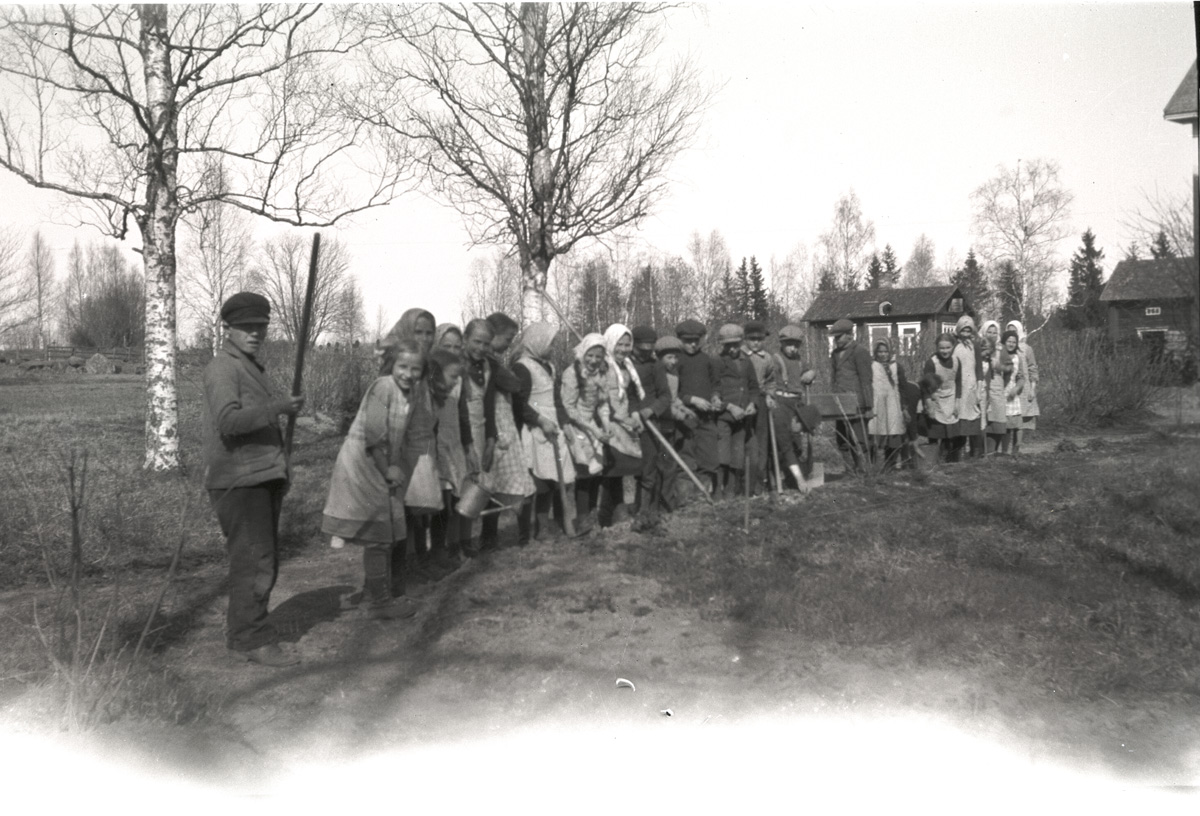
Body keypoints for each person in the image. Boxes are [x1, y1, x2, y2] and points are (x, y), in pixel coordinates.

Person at [204, 292, 304, 667]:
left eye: (260, 327)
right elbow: (228, 422)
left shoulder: (250, 367)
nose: (255, 333)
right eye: (246, 327)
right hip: (237, 481)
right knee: (254, 561)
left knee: (261, 559)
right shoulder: (222, 368)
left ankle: (247, 632)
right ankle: (250, 638)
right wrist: (277, 408)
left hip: (260, 476)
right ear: (227, 329)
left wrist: (281, 468)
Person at [322, 339, 425, 622]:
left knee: (386, 533)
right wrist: (388, 468)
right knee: (379, 536)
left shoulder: (410, 394)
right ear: (392, 365)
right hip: (364, 464)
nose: (408, 373)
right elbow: (373, 435)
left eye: (415, 369)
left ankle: (374, 592)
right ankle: (379, 603)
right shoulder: (383, 387)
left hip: (381, 464)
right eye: (403, 366)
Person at [383, 308, 444, 581]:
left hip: (422, 447)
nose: (424, 338)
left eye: (429, 333)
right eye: (418, 332)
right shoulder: (395, 368)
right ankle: (396, 574)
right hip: (400, 448)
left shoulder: (427, 367)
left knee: (419, 509)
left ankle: (417, 563)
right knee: (400, 514)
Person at [512, 321, 574, 541]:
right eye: (550, 343)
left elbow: (556, 400)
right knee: (535, 482)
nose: (552, 348)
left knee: (551, 480)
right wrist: (539, 420)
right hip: (534, 430)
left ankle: (544, 525)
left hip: (553, 429)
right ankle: (526, 532)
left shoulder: (549, 366)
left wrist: (565, 423)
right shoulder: (522, 367)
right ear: (537, 342)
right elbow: (518, 403)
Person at [560, 332, 612, 535]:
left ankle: (592, 516)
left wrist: (605, 425)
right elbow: (569, 408)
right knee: (583, 473)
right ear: (583, 353)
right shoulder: (572, 373)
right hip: (576, 427)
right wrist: (593, 430)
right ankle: (582, 520)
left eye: (598, 357)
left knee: (596, 472)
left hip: (593, 427)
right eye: (590, 355)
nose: (593, 361)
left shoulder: (601, 373)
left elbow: (602, 403)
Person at [428, 331, 471, 569]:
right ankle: (432, 554)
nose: (452, 352)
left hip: (452, 443)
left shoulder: (457, 378)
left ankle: (444, 549)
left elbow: (463, 416)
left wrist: (467, 446)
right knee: (437, 503)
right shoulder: (431, 383)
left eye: (457, 347)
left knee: (452, 500)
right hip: (435, 447)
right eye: (447, 346)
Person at [596, 323, 645, 527]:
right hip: (608, 420)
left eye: (627, 345)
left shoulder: (627, 366)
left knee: (630, 466)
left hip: (626, 420)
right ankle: (609, 514)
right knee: (613, 470)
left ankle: (623, 509)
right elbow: (602, 397)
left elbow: (632, 394)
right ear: (610, 343)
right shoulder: (603, 365)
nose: (624, 349)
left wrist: (633, 416)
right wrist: (621, 418)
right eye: (619, 344)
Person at [627, 326, 672, 531]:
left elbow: (665, 396)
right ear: (633, 346)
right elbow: (626, 395)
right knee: (626, 468)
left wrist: (650, 411)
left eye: (649, 349)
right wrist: (635, 411)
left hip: (651, 424)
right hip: (626, 422)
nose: (645, 353)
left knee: (650, 469)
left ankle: (645, 512)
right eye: (641, 350)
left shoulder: (656, 366)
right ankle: (622, 512)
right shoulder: (624, 365)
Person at [674, 318, 723, 497]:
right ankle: (685, 501)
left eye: (696, 340)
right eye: (688, 341)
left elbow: (716, 384)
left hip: (706, 418)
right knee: (686, 459)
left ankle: (702, 498)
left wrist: (715, 397)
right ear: (680, 339)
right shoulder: (675, 360)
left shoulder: (708, 360)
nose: (693, 344)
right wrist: (691, 400)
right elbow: (670, 393)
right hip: (684, 419)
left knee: (709, 459)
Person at [714, 323, 760, 499]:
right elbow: (715, 390)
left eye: (736, 345)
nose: (732, 349)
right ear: (723, 345)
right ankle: (718, 490)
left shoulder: (746, 361)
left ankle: (731, 490)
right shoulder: (717, 361)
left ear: (741, 343)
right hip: (724, 417)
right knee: (722, 455)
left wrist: (753, 404)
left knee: (737, 455)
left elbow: (754, 387)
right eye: (728, 345)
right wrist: (729, 406)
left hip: (742, 418)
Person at [770, 324, 818, 489]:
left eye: (796, 345)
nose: (792, 348)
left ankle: (794, 478)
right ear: (781, 344)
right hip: (781, 403)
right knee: (784, 442)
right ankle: (796, 480)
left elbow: (811, 370)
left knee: (797, 442)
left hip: (797, 404)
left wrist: (811, 373)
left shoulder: (799, 361)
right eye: (789, 344)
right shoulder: (775, 359)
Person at [828, 318, 873, 475]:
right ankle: (849, 470)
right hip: (840, 403)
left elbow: (866, 380)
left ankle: (864, 470)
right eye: (834, 337)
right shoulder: (834, 354)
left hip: (857, 404)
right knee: (842, 439)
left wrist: (868, 406)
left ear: (849, 335)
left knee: (859, 438)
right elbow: (834, 378)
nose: (836, 340)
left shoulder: (860, 352)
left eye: (838, 337)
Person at [652, 335, 691, 512]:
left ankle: (667, 502)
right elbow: (660, 401)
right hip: (657, 425)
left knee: (669, 465)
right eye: (669, 357)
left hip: (669, 427)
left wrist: (684, 409)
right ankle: (661, 504)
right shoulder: (655, 374)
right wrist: (675, 413)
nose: (674, 361)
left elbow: (673, 399)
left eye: (676, 357)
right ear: (659, 358)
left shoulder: (674, 376)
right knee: (661, 466)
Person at [741, 320, 779, 496]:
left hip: (762, 402)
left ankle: (759, 484)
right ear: (745, 339)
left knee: (762, 442)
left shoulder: (767, 358)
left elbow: (771, 380)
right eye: (752, 339)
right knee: (745, 442)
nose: (756, 343)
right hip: (743, 402)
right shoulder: (740, 356)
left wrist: (770, 396)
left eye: (759, 339)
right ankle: (743, 484)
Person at [867, 338, 908, 470]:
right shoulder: (872, 366)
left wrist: (904, 407)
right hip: (877, 402)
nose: (883, 354)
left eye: (886, 352)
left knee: (893, 432)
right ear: (876, 352)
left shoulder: (897, 366)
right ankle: (874, 466)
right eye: (880, 352)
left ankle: (890, 465)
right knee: (876, 431)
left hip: (893, 403)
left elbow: (903, 387)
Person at [922, 333, 963, 462]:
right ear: (937, 348)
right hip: (936, 400)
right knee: (935, 433)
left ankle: (947, 460)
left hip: (951, 400)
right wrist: (929, 406)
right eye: (942, 348)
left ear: (953, 347)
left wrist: (957, 403)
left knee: (949, 435)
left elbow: (958, 382)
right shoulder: (932, 363)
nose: (945, 351)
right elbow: (925, 387)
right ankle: (933, 461)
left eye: (948, 348)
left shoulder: (956, 361)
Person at [953, 315, 985, 459]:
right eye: (963, 331)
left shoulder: (975, 346)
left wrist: (979, 388)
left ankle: (975, 452)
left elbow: (979, 369)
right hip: (959, 387)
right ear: (959, 330)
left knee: (973, 417)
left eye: (968, 331)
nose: (966, 334)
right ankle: (958, 452)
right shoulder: (954, 345)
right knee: (959, 417)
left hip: (972, 386)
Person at [1005, 320, 1040, 441]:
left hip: (1024, 389)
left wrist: (1032, 389)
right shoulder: (1005, 348)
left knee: (1021, 422)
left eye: (1014, 331)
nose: (1011, 333)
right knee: (1008, 419)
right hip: (1009, 388)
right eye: (1009, 331)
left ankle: (1018, 448)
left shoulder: (1026, 349)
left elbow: (1033, 369)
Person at [979, 336, 1012, 456]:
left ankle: (992, 452)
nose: (991, 334)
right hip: (982, 392)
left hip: (996, 392)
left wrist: (1003, 385)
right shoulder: (979, 358)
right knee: (983, 424)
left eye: (994, 332)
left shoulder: (998, 354)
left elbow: (1009, 370)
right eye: (989, 332)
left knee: (997, 424)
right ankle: (983, 452)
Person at [1001, 330, 1027, 455]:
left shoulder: (1018, 357)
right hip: (1002, 392)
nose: (1011, 344)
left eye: (1014, 342)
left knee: (1017, 424)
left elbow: (1021, 377)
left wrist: (1017, 388)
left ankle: (1016, 450)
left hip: (1013, 392)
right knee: (1006, 425)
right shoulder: (1000, 355)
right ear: (1004, 342)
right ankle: (1005, 451)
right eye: (1009, 341)